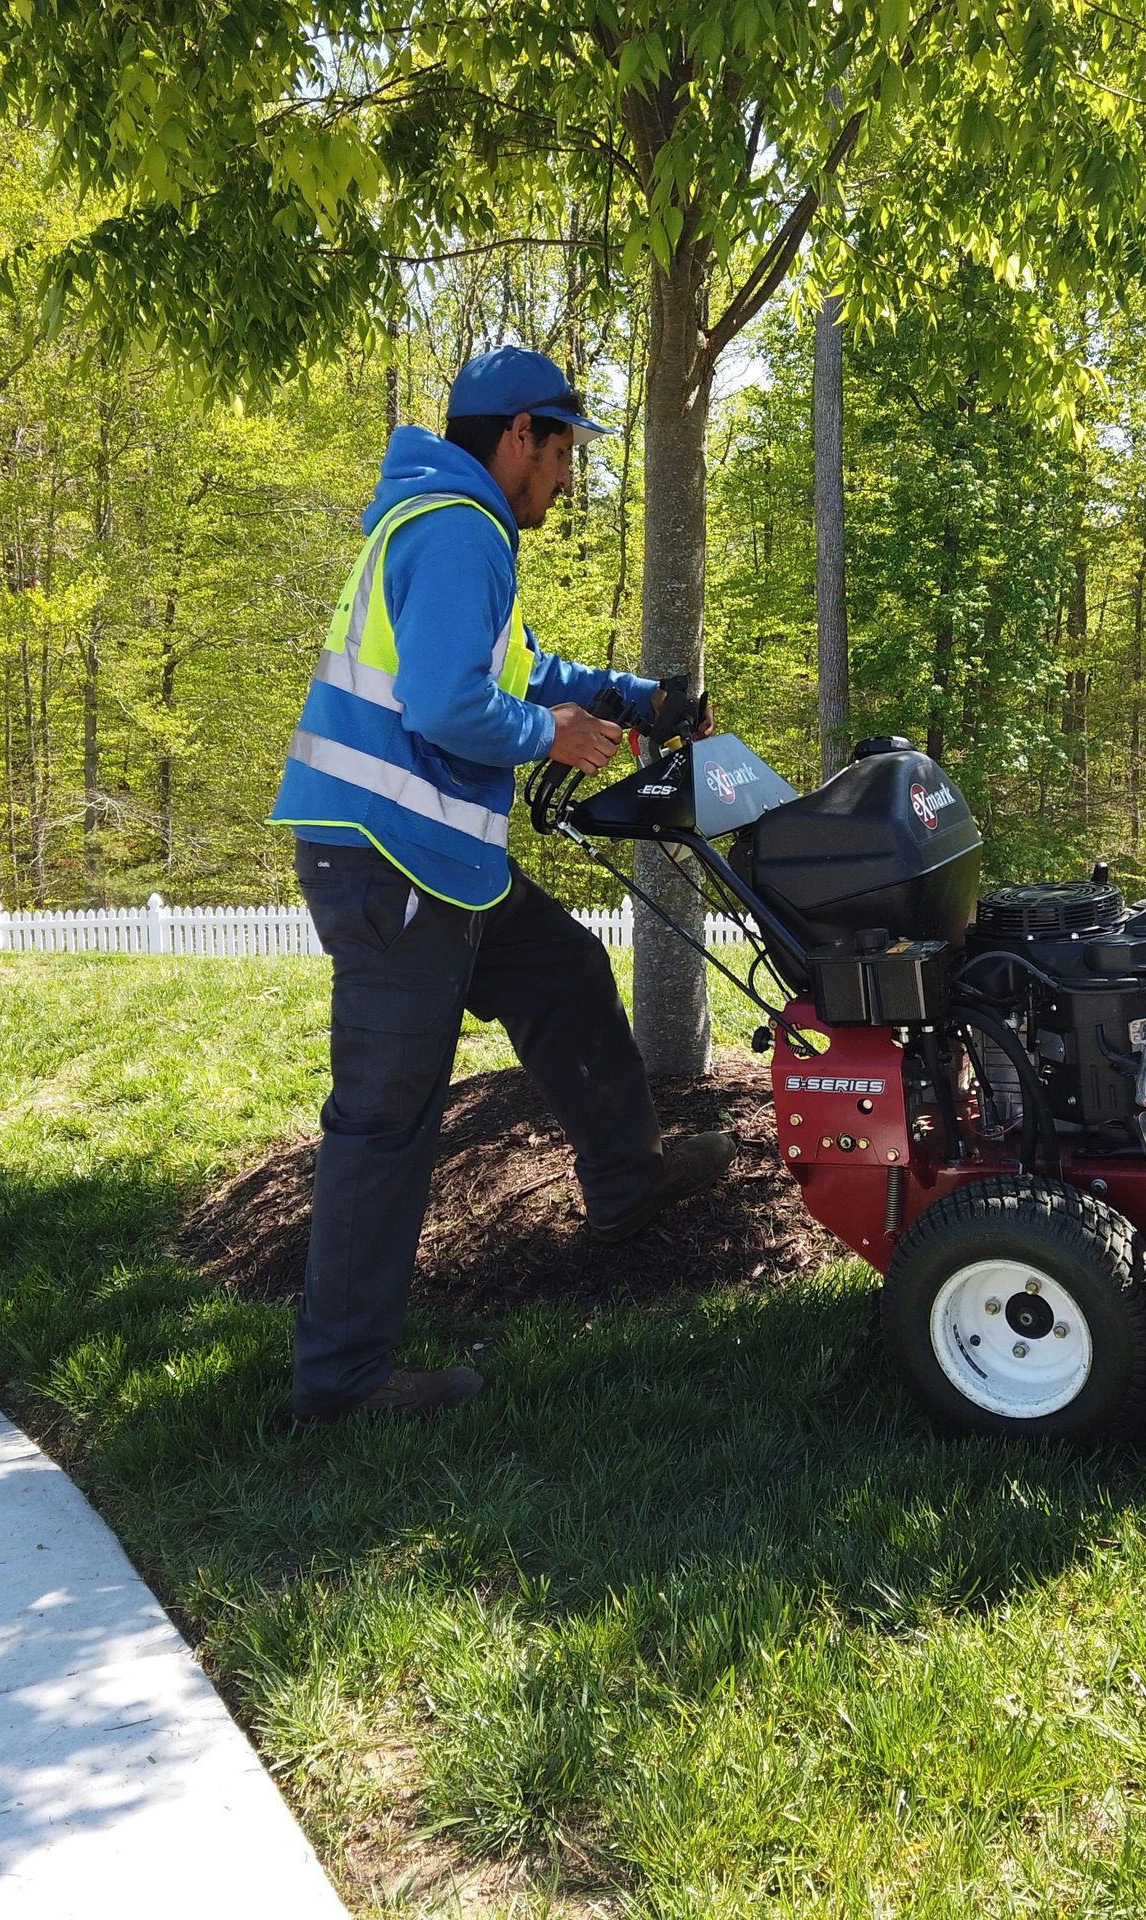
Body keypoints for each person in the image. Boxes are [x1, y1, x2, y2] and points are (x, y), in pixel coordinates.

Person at [270, 345, 738, 1422]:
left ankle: (625, 1182)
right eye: (564, 448)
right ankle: (340, 1382)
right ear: (518, 433)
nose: (569, 477)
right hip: (389, 861)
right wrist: (552, 738)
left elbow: (518, 667)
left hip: (437, 862)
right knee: (385, 1120)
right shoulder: (458, 528)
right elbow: (448, 705)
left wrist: (633, 699)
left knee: (565, 972)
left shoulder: (449, 523)